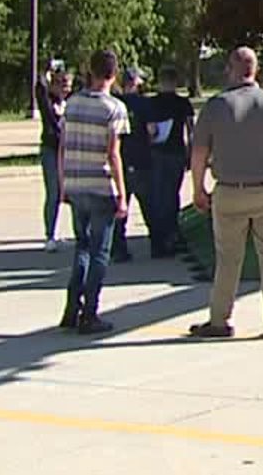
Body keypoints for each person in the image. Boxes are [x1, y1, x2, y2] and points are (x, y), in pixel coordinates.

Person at [188, 46, 263, 340]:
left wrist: (198, 188)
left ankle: (220, 319)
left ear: (231, 69)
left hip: (230, 191)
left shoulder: (216, 106)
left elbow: (199, 152)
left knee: (228, 257)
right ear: (255, 70)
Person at [58, 50, 131, 335]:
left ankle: (71, 307)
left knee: (82, 247)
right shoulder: (114, 108)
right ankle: (91, 312)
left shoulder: (72, 104)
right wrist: (122, 193)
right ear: (113, 75)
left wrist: (63, 184)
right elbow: (114, 154)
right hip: (101, 186)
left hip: (76, 183)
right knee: (101, 251)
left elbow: (63, 147)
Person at [143, 64, 196, 257]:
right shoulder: (183, 103)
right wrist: (192, 153)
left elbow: (149, 130)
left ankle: (159, 236)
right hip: (176, 152)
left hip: (157, 152)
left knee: (158, 195)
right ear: (175, 82)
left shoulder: (151, 103)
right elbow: (191, 131)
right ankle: (172, 233)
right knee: (172, 194)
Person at [110, 68, 150, 263]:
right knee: (149, 205)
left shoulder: (116, 104)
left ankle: (118, 248)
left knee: (121, 206)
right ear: (135, 82)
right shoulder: (144, 104)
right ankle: (159, 244)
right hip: (141, 158)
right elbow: (152, 130)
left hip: (122, 158)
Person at [38, 67, 70, 252]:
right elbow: (40, 87)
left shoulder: (72, 102)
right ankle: (50, 235)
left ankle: (82, 232)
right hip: (51, 149)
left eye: (68, 85)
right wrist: (47, 70)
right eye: (62, 84)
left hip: (69, 150)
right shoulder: (48, 101)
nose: (65, 88)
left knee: (73, 192)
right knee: (54, 192)